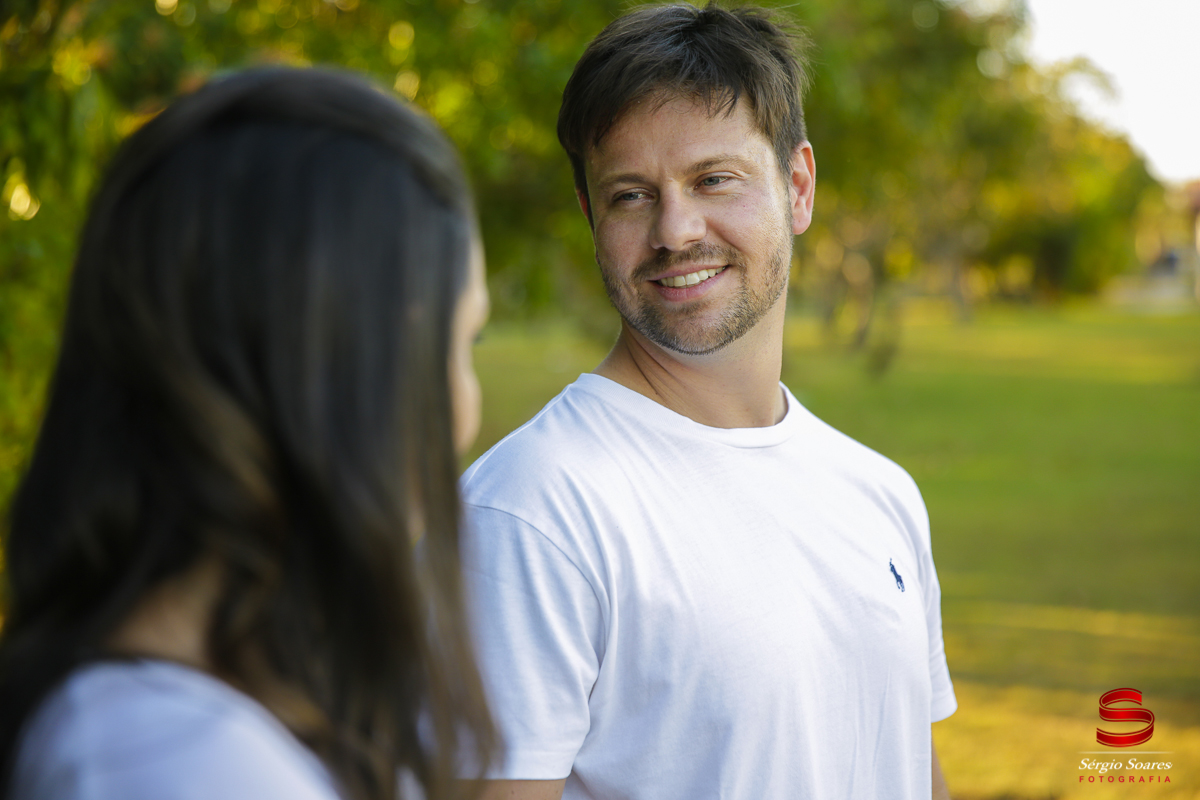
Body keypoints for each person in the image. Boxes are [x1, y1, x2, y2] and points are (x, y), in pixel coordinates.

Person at [459, 4, 956, 799]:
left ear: (798, 187)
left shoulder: (881, 494)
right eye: (630, 195)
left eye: (713, 180)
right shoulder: (528, 514)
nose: (676, 231)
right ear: (591, 215)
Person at [0, 68, 495, 800]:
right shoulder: (177, 765)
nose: (464, 410)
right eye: (458, 344)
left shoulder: (205, 715)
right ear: (328, 368)